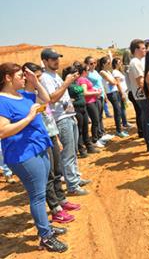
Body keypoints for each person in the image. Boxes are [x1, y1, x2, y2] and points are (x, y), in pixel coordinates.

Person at [0, 62, 68, 252]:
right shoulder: (2, 101)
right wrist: (29, 118)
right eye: (20, 75)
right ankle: (45, 237)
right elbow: (3, 131)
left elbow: (46, 100)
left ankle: (45, 228)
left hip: (39, 148)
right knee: (37, 196)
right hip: (24, 155)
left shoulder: (22, 95)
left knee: (42, 190)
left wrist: (35, 82)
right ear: (7, 78)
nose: (23, 78)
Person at [24, 62, 81, 224]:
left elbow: (47, 107)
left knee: (57, 171)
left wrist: (55, 137)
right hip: (40, 138)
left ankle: (61, 200)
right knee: (48, 175)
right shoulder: (24, 96)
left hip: (51, 134)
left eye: (40, 77)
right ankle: (55, 208)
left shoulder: (38, 92)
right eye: (37, 77)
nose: (40, 80)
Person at [40, 48, 90, 196]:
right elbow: (52, 98)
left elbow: (64, 97)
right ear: (45, 61)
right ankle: (73, 186)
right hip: (60, 119)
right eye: (53, 58)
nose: (57, 61)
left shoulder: (54, 75)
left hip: (68, 115)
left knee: (73, 151)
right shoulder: (45, 78)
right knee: (68, 154)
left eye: (57, 58)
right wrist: (67, 83)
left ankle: (75, 177)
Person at [128, 39, 149, 152]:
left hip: (141, 95)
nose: (145, 50)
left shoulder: (137, 62)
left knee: (146, 120)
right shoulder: (135, 63)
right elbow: (141, 82)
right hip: (143, 95)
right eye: (143, 48)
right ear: (136, 49)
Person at [85, 56, 114, 144]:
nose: (93, 65)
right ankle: (96, 137)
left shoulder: (96, 72)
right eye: (91, 63)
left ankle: (101, 133)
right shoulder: (87, 74)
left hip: (100, 95)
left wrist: (104, 94)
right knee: (96, 118)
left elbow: (100, 83)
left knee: (100, 116)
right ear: (87, 64)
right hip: (94, 97)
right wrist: (95, 92)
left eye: (94, 63)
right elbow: (87, 86)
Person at [98, 56, 129, 138]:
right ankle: (119, 131)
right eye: (108, 63)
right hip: (111, 93)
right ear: (103, 64)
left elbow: (114, 82)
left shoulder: (108, 71)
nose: (110, 64)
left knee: (118, 111)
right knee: (118, 111)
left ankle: (120, 129)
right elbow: (113, 82)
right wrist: (114, 81)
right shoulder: (102, 72)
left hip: (115, 92)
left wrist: (114, 81)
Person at [76, 62, 104, 148]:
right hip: (89, 102)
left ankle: (95, 139)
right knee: (95, 121)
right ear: (84, 71)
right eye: (87, 70)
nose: (88, 72)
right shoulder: (82, 80)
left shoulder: (83, 78)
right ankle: (95, 140)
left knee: (96, 120)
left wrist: (95, 91)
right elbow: (84, 93)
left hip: (92, 101)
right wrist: (95, 93)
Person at [112, 58, 132, 130]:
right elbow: (118, 84)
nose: (120, 63)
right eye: (118, 62)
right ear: (115, 64)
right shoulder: (115, 72)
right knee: (122, 108)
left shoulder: (118, 71)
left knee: (123, 107)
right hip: (120, 92)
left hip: (123, 91)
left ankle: (125, 122)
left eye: (120, 62)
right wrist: (122, 93)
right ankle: (124, 123)